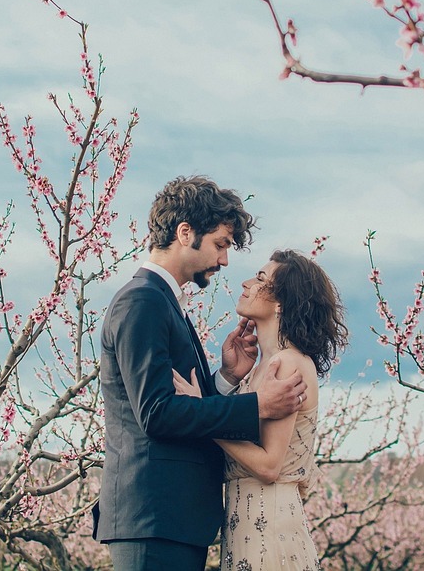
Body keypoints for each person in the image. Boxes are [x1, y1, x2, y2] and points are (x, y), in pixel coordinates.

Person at [95, 176, 308, 571]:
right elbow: (158, 413)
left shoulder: (161, 302)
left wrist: (225, 379)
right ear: (185, 232)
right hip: (154, 519)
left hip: (170, 521)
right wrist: (256, 406)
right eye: (220, 244)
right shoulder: (142, 302)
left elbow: (180, 399)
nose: (225, 260)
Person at [173, 249, 348, 571]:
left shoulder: (288, 363)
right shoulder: (262, 366)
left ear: (282, 301)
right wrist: (229, 377)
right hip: (247, 519)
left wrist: (204, 416)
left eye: (261, 278)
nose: (246, 283)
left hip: (269, 522)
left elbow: (269, 466)